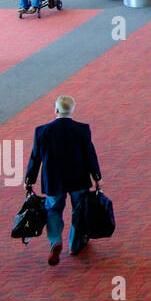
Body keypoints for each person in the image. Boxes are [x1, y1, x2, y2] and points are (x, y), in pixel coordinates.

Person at [23, 95, 103, 266]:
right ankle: (75, 244)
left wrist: (29, 179)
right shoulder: (82, 129)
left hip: (53, 180)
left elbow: (35, 158)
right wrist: (97, 177)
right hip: (79, 178)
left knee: (53, 210)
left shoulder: (42, 131)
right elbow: (90, 155)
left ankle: (55, 241)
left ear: (56, 110)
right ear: (72, 111)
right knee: (79, 210)